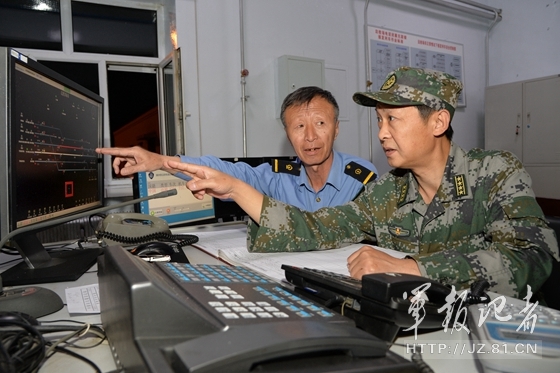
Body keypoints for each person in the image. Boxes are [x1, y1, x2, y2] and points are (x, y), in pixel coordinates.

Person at [162, 66, 560, 299]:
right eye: (379, 121)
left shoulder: (495, 172)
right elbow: (320, 226)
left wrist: (414, 266)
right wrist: (236, 189)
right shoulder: (390, 189)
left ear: (438, 121)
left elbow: (533, 257)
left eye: (394, 120)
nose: (383, 134)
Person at [96, 86, 377, 212]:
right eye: (299, 127)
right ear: (287, 134)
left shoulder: (362, 179)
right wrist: (160, 161)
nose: (310, 137)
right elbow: (226, 171)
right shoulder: (279, 177)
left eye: (320, 123)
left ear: (336, 128)